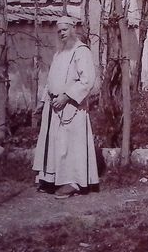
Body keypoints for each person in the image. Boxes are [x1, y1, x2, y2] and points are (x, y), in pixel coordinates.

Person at [33, 14, 99, 199]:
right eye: (59, 31)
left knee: (71, 146)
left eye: (65, 29)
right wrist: (44, 101)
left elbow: (87, 81)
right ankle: (53, 179)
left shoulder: (81, 51)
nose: (62, 33)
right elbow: (51, 79)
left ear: (73, 29)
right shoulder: (59, 53)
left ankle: (72, 182)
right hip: (54, 106)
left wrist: (67, 96)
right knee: (56, 144)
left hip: (72, 108)